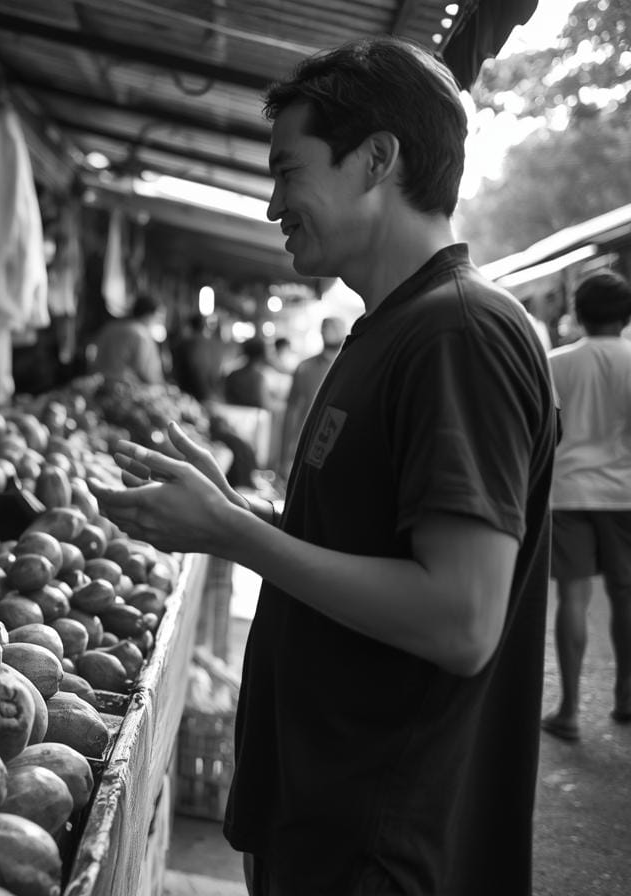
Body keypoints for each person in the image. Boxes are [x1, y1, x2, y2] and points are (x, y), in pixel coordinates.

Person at [93, 38, 556, 895]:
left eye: (287, 170)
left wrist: (231, 531)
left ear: (378, 158)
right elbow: (367, 549)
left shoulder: (460, 335)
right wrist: (237, 514)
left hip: (382, 842)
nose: (273, 204)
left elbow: (459, 619)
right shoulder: (393, 325)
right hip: (329, 817)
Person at [540, 272, 631, 743]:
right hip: (625, 496)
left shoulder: (555, 363)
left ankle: (570, 710)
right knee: (625, 594)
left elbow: (541, 433)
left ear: (578, 313)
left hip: (570, 491)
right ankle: (626, 696)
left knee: (573, 597)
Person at [277, 316, 346, 476]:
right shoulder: (305, 368)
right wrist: (284, 457)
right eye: (326, 327)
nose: (329, 330)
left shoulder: (352, 368)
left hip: (339, 452)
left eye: (335, 327)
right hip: (306, 449)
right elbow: (291, 412)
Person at [86, 293, 165, 385]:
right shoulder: (141, 334)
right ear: (149, 315)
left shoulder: (110, 327)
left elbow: (93, 356)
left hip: (98, 384)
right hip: (125, 389)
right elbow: (146, 372)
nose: (159, 321)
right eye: (158, 317)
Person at [222, 338, 279, 410]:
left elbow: (226, 398)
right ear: (262, 355)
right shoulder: (258, 378)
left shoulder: (233, 374)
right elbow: (266, 405)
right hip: (252, 418)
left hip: (233, 417)